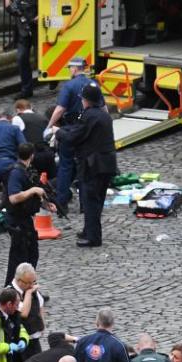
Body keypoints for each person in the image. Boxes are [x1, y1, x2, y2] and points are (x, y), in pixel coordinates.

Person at [52, 81, 116, 247]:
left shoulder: (88, 116)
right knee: (97, 199)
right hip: (107, 163)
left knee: (91, 200)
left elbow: (75, 137)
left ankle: (93, 237)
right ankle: (89, 229)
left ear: (86, 100)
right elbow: (80, 130)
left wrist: (58, 132)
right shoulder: (103, 115)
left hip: (93, 165)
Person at [45, 57, 103, 212]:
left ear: (75, 68)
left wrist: (49, 126)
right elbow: (103, 108)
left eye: (70, 67)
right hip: (89, 130)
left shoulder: (69, 86)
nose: (69, 70)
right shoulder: (94, 84)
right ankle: (85, 204)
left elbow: (60, 109)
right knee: (84, 167)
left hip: (71, 128)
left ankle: (62, 202)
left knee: (65, 166)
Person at [2, 144, 57, 285]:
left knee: (31, 254)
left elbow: (32, 195)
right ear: (32, 155)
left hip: (25, 219)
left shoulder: (27, 171)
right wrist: (33, 190)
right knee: (19, 258)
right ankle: (12, 289)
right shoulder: (16, 172)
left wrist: (46, 204)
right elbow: (14, 198)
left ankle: (27, 288)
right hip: (17, 221)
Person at [7, 262, 46, 358]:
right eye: (29, 282)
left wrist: (42, 324)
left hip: (34, 339)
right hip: (19, 342)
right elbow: (24, 313)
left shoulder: (30, 286)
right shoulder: (10, 293)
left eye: (34, 281)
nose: (32, 285)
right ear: (19, 280)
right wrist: (28, 293)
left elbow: (40, 304)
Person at [12, 99, 55, 177]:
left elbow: (15, 138)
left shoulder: (17, 118)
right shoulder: (43, 118)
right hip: (48, 153)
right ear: (30, 107)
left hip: (32, 155)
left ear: (18, 110)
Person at [5, 0, 38, 98]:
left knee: (40, 58)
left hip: (39, 30)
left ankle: (52, 78)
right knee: (21, 58)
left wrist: (42, 15)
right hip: (23, 31)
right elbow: (9, 8)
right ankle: (26, 90)